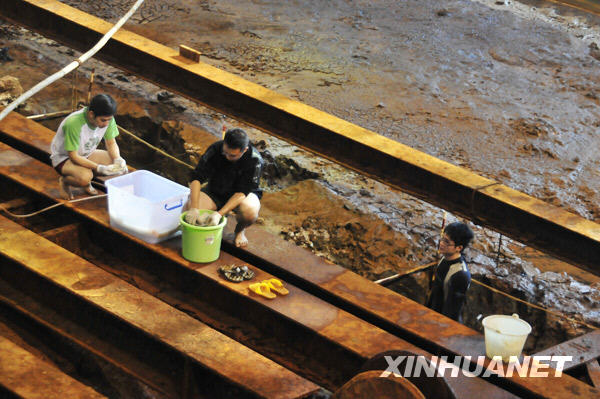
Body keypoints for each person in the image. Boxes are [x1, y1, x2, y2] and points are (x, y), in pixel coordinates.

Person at [186, 128, 263, 247]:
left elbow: (242, 192)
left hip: (242, 196)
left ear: (245, 150)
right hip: (216, 190)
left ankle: (240, 231)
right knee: (188, 208)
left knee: (250, 212)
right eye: (225, 152)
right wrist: (194, 207)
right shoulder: (216, 148)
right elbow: (196, 178)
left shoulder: (254, 160)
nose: (227, 157)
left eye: (232, 155)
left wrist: (219, 214)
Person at [50, 93, 127, 200]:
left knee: (113, 162)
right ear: (91, 114)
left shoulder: (107, 119)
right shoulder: (74, 123)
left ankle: (86, 181)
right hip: (64, 158)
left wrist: (118, 159)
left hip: (86, 153)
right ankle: (65, 181)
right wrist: (98, 167)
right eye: (103, 120)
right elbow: (74, 156)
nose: (106, 124)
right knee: (85, 177)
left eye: (109, 120)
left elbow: (111, 143)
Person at [426, 221, 474, 322]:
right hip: (433, 314)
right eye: (442, 239)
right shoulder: (445, 258)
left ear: (459, 248)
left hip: (444, 323)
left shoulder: (461, 275)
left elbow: (452, 311)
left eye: (447, 242)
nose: (441, 243)